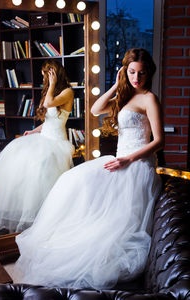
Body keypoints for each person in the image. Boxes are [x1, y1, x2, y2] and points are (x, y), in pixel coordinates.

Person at [14, 48, 164, 289]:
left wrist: (129, 160)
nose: (137, 78)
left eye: (142, 73)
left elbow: (159, 141)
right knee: (72, 181)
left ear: (149, 74)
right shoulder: (125, 96)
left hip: (137, 166)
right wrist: (117, 85)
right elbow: (96, 109)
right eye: (132, 72)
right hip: (119, 161)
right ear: (125, 72)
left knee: (112, 225)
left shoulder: (149, 98)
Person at [0, 60, 75, 233]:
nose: (43, 77)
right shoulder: (53, 92)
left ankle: (49, 220)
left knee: (46, 179)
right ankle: (32, 220)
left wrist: (51, 85)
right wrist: (34, 131)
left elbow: (48, 104)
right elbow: (49, 121)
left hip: (57, 143)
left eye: (46, 74)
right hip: (44, 137)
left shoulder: (67, 92)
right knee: (28, 174)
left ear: (54, 74)